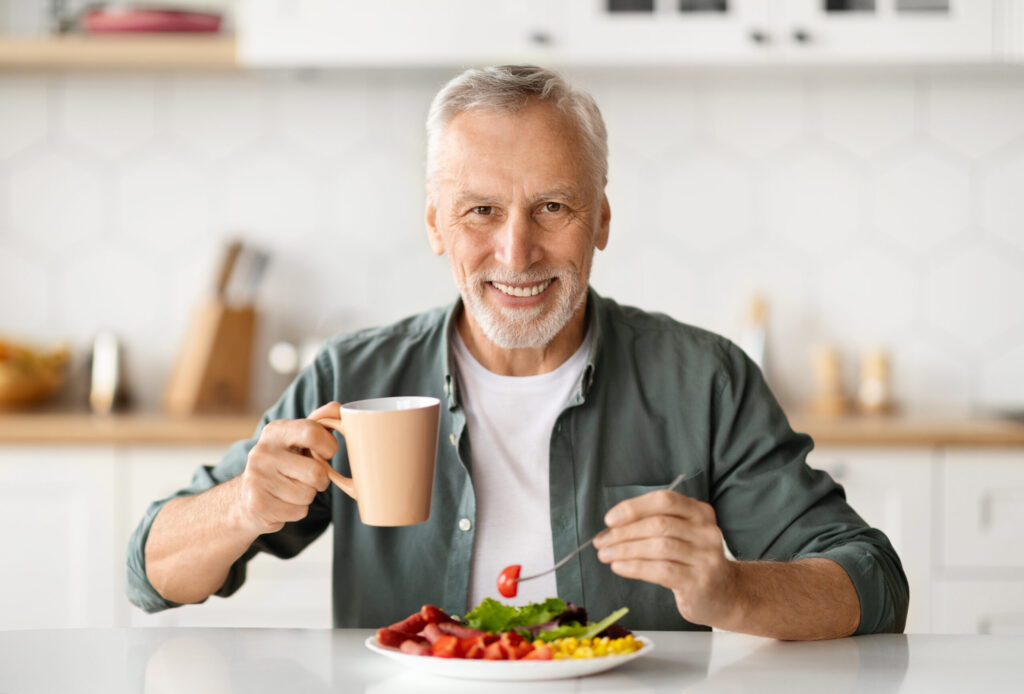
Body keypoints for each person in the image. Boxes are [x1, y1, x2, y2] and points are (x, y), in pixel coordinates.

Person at [128, 65, 908, 640]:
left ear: (601, 218)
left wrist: (735, 591)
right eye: (480, 211)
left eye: (553, 208)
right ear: (435, 225)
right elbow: (150, 572)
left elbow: (872, 581)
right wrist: (244, 506)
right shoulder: (357, 377)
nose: (517, 250)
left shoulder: (701, 379)